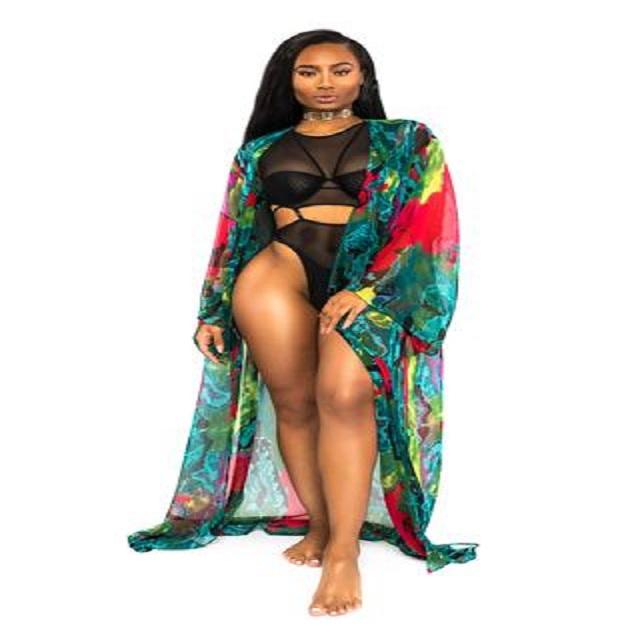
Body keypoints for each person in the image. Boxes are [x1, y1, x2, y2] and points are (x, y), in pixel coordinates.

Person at [128, 29, 479, 617]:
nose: (325, 83)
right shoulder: (259, 152)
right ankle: (321, 524)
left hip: (372, 282)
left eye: (340, 70)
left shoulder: (408, 140)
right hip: (279, 272)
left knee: (342, 393)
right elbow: (234, 232)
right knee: (295, 403)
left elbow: (428, 223)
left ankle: (343, 552)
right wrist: (212, 310)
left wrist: (368, 290)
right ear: (287, 80)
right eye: (308, 72)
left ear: (363, 77)